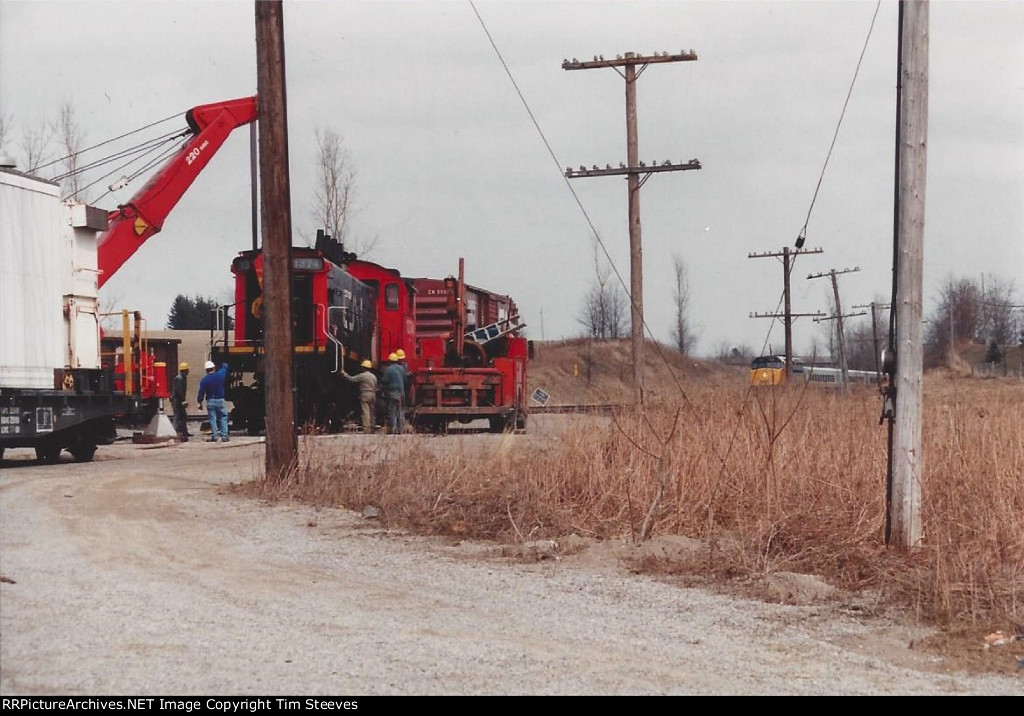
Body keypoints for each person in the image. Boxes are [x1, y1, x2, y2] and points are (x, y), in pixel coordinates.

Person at [197, 360, 230, 442]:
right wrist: (223, 363)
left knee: (213, 419)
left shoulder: (204, 380)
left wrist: (199, 402)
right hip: (220, 400)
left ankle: (215, 436)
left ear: (206, 370)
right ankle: (224, 436)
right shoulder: (220, 375)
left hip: (210, 401)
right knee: (223, 417)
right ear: (214, 368)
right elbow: (225, 367)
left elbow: (201, 392)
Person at [341, 359, 378, 433]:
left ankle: (367, 429)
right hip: (373, 394)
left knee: (365, 412)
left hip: (365, 394)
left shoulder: (362, 376)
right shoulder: (373, 376)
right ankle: (372, 427)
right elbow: (376, 386)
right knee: (372, 412)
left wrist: (344, 374)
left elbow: (352, 379)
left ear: (363, 367)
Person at [379, 352, 406, 435]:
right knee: (400, 411)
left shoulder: (388, 369)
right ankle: (400, 429)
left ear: (390, 361)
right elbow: (405, 380)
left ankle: (393, 429)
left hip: (392, 393)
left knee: (392, 411)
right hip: (401, 393)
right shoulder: (402, 369)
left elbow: (385, 381)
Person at [170, 362, 191, 442]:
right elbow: (179, 391)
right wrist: (183, 400)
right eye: (187, 369)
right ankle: (174, 432)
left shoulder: (182, 377)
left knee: (182, 416)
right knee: (177, 416)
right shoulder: (180, 378)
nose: (188, 371)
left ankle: (184, 432)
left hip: (178, 399)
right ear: (185, 370)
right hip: (177, 400)